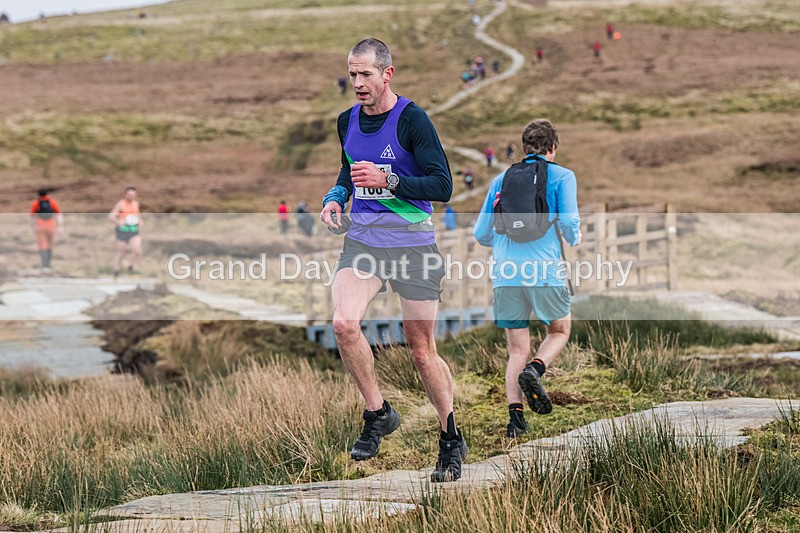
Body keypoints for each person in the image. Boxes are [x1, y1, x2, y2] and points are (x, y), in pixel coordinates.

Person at [319, 38, 466, 482]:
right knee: (344, 324)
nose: (358, 83)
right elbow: (348, 172)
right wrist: (335, 198)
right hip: (363, 242)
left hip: (413, 245)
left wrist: (391, 178)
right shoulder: (346, 121)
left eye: (366, 74)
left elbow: (442, 186)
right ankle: (377, 412)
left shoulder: (413, 120)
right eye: (352, 74)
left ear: (388, 74)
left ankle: (449, 437)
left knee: (421, 352)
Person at [473, 119, 581, 438]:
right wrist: (573, 237)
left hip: (505, 273)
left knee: (516, 349)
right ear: (553, 148)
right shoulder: (563, 176)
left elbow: (481, 233)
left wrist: (504, 246)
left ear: (524, 148)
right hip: (544, 268)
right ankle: (535, 370)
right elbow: (570, 224)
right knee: (559, 330)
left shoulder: (500, 179)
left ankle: (515, 421)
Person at [108, 186, 143, 278]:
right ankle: (116, 271)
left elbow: (137, 215)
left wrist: (140, 221)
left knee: (137, 250)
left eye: (133, 194)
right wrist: (118, 222)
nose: (131, 196)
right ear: (125, 194)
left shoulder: (136, 204)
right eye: (129, 194)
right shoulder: (121, 203)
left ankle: (130, 267)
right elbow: (111, 216)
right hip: (122, 231)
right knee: (121, 251)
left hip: (133, 230)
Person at [30, 189, 64, 273]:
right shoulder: (52, 202)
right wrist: (60, 227)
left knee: (42, 246)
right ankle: (48, 265)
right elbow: (58, 215)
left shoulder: (36, 203)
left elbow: (32, 216)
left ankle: (44, 266)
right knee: (50, 245)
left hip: (40, 225)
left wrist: (33, 226)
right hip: (51, 225)